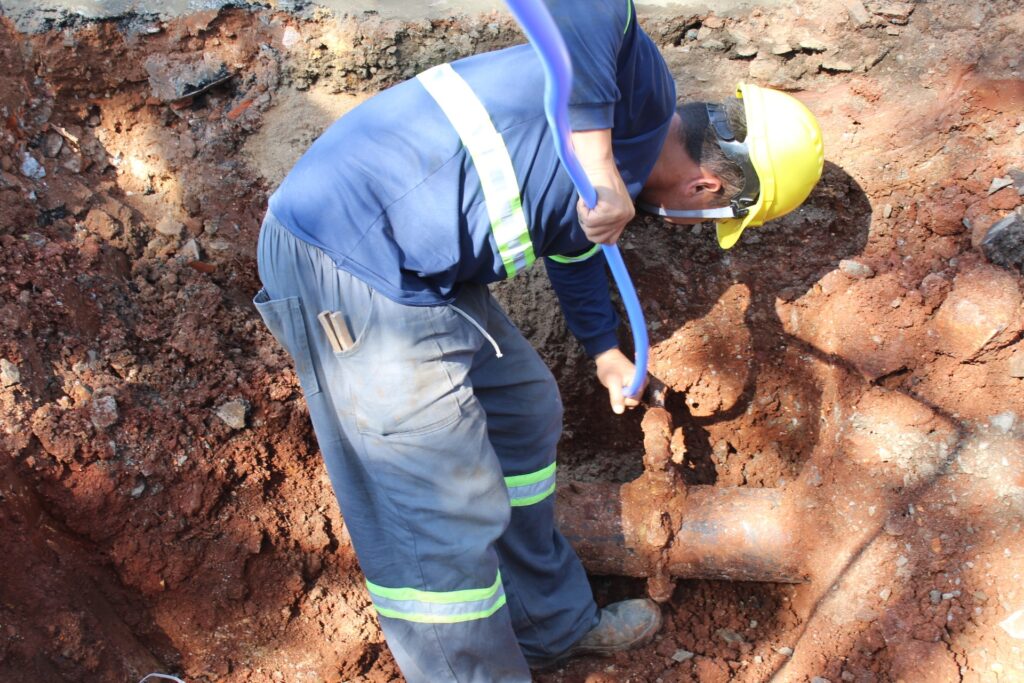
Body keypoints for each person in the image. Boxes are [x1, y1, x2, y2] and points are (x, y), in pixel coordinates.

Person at [252, 0, 823, 680]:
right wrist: (599, 163)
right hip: (348, 261)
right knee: (441, 513)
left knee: (526, 410)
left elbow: (575, 245)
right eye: (710, 219)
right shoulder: (640, 95)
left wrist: (604, 350)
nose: (688, 223)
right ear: (708, 186)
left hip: (419, 270)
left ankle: (548, 625)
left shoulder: (624, 160)